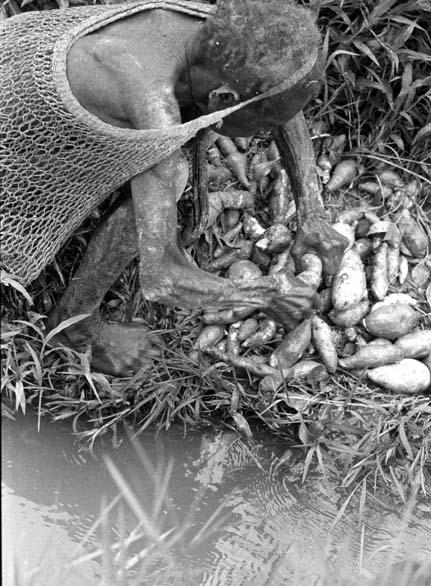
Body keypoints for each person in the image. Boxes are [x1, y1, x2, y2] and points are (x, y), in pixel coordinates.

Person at [1, 0, 347, 375]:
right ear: (223, 99)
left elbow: (281, 95)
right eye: (262, 125)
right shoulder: (153, 105)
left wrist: (311, 211)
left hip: (34, 56)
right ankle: (75, 325)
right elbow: (162, 278)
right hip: (20, 131)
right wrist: (265, 292)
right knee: (173, 173)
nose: (265, 131)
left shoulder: (221, 35)